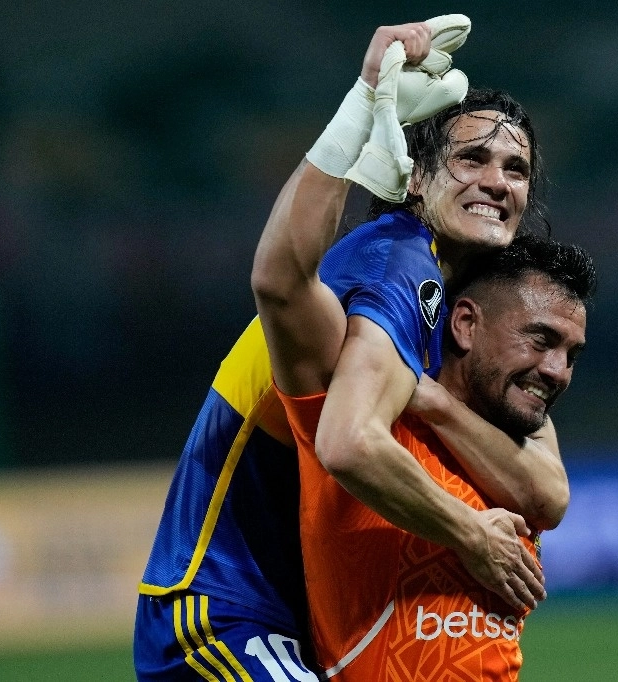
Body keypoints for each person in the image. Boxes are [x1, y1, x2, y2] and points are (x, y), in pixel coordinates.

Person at [135, 17, 565, 681]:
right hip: (220, 601)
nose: (497, 180)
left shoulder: (463, 303)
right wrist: (365, 103)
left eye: (516, 168)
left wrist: (439, 406)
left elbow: (547, 487)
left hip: (303, 623)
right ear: (416, 181)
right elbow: (341, 427)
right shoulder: (396, 261)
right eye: (472, 159)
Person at [262, 227, 595, 678]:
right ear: (464, 324)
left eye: (572, 354)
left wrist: (435, 402)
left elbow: (551, 500)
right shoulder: (365, 409)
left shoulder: (515, 430)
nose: (558, 371)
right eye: (540, 340)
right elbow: (279, 285)